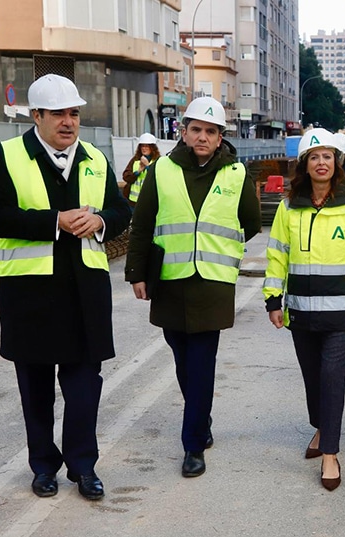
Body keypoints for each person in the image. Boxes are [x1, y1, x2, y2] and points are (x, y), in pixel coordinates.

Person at [0, 74, 132, 501]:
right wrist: (55, 222)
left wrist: (102, 221)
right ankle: (43, 466)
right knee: (36, 388)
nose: (68, 122)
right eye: (59, 114)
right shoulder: (6, 156)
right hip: (30, 296)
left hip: (86, 294)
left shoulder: (95, 159)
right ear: (37, 116)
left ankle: (83, 467)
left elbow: (122, 209)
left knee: (85, 388)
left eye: (74, 113)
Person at [124, 96, 261, 478]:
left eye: (211, 131)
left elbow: (250, 223)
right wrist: (137, 272)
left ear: (221, 138)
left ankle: (193, 444)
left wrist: (216, 246)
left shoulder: (236, 174)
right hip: (170, 279)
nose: (203, 137)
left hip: (213, 283)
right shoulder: (162, 170)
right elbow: (143, 222)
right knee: (182, 360)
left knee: (201, 363)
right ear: (183, 132)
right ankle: (201, 419)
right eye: (196, 129)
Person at [263, 128, 345, 491]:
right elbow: (277, 254)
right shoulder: (288, 207)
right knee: (312, 380)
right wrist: (272, 298)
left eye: (327, 156)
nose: (321, 162)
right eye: (314, 157)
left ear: (337, 162)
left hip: (340, 314)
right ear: (304, 164)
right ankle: (321, 426)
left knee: (332, 381)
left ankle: (330, 453)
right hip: (300, 310)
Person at [121, 133, 160, 205]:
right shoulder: (135, 160)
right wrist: (138, 172)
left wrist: (148, 166)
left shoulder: (158, 161)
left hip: (150, 201)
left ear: (152, 148)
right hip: (133, 201)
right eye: (142, 146)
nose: (144, 148)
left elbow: (159, 179)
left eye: (146, 146)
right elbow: (126, 177)